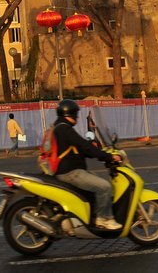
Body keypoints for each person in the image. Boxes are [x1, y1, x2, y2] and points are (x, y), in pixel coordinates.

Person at [51, 99, 123, 231]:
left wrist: (94, 150)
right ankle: (104, 219)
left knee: (95, 182)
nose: (77, 118)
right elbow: (84, 146)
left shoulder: (60, 128)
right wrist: (109, 156)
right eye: (76, 114)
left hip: (69, 170)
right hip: (70, 173)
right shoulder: (64, 129)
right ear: (71, 114)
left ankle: (92, 216)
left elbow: (80, 148)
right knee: (104, 187)